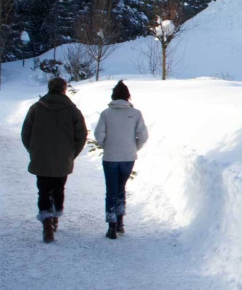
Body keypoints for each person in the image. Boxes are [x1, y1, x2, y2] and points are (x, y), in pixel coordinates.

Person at [20, 76, 87, 243]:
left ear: (49, 88)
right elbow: (81, 135)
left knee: (43, 190)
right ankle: (55, 216)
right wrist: (72, 153)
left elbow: (25, 133)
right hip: (63, 158)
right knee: (58, 188)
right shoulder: (72, 110)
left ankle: (47, 223)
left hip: (41, 157)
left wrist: (33, 150)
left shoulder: (36, 108)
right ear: (64, 89)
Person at [93, 80, 149, 240]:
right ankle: (120, 222)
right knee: (121, 188)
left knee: (111, 190)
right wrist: (133, 147)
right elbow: (143, 135)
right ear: (127, 97)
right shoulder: (136, 114)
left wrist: (106, 145)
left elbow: (99, 135)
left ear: (113, 96)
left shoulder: (106, 113)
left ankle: (111, 225)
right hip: (128, 157)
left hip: (110, 157)